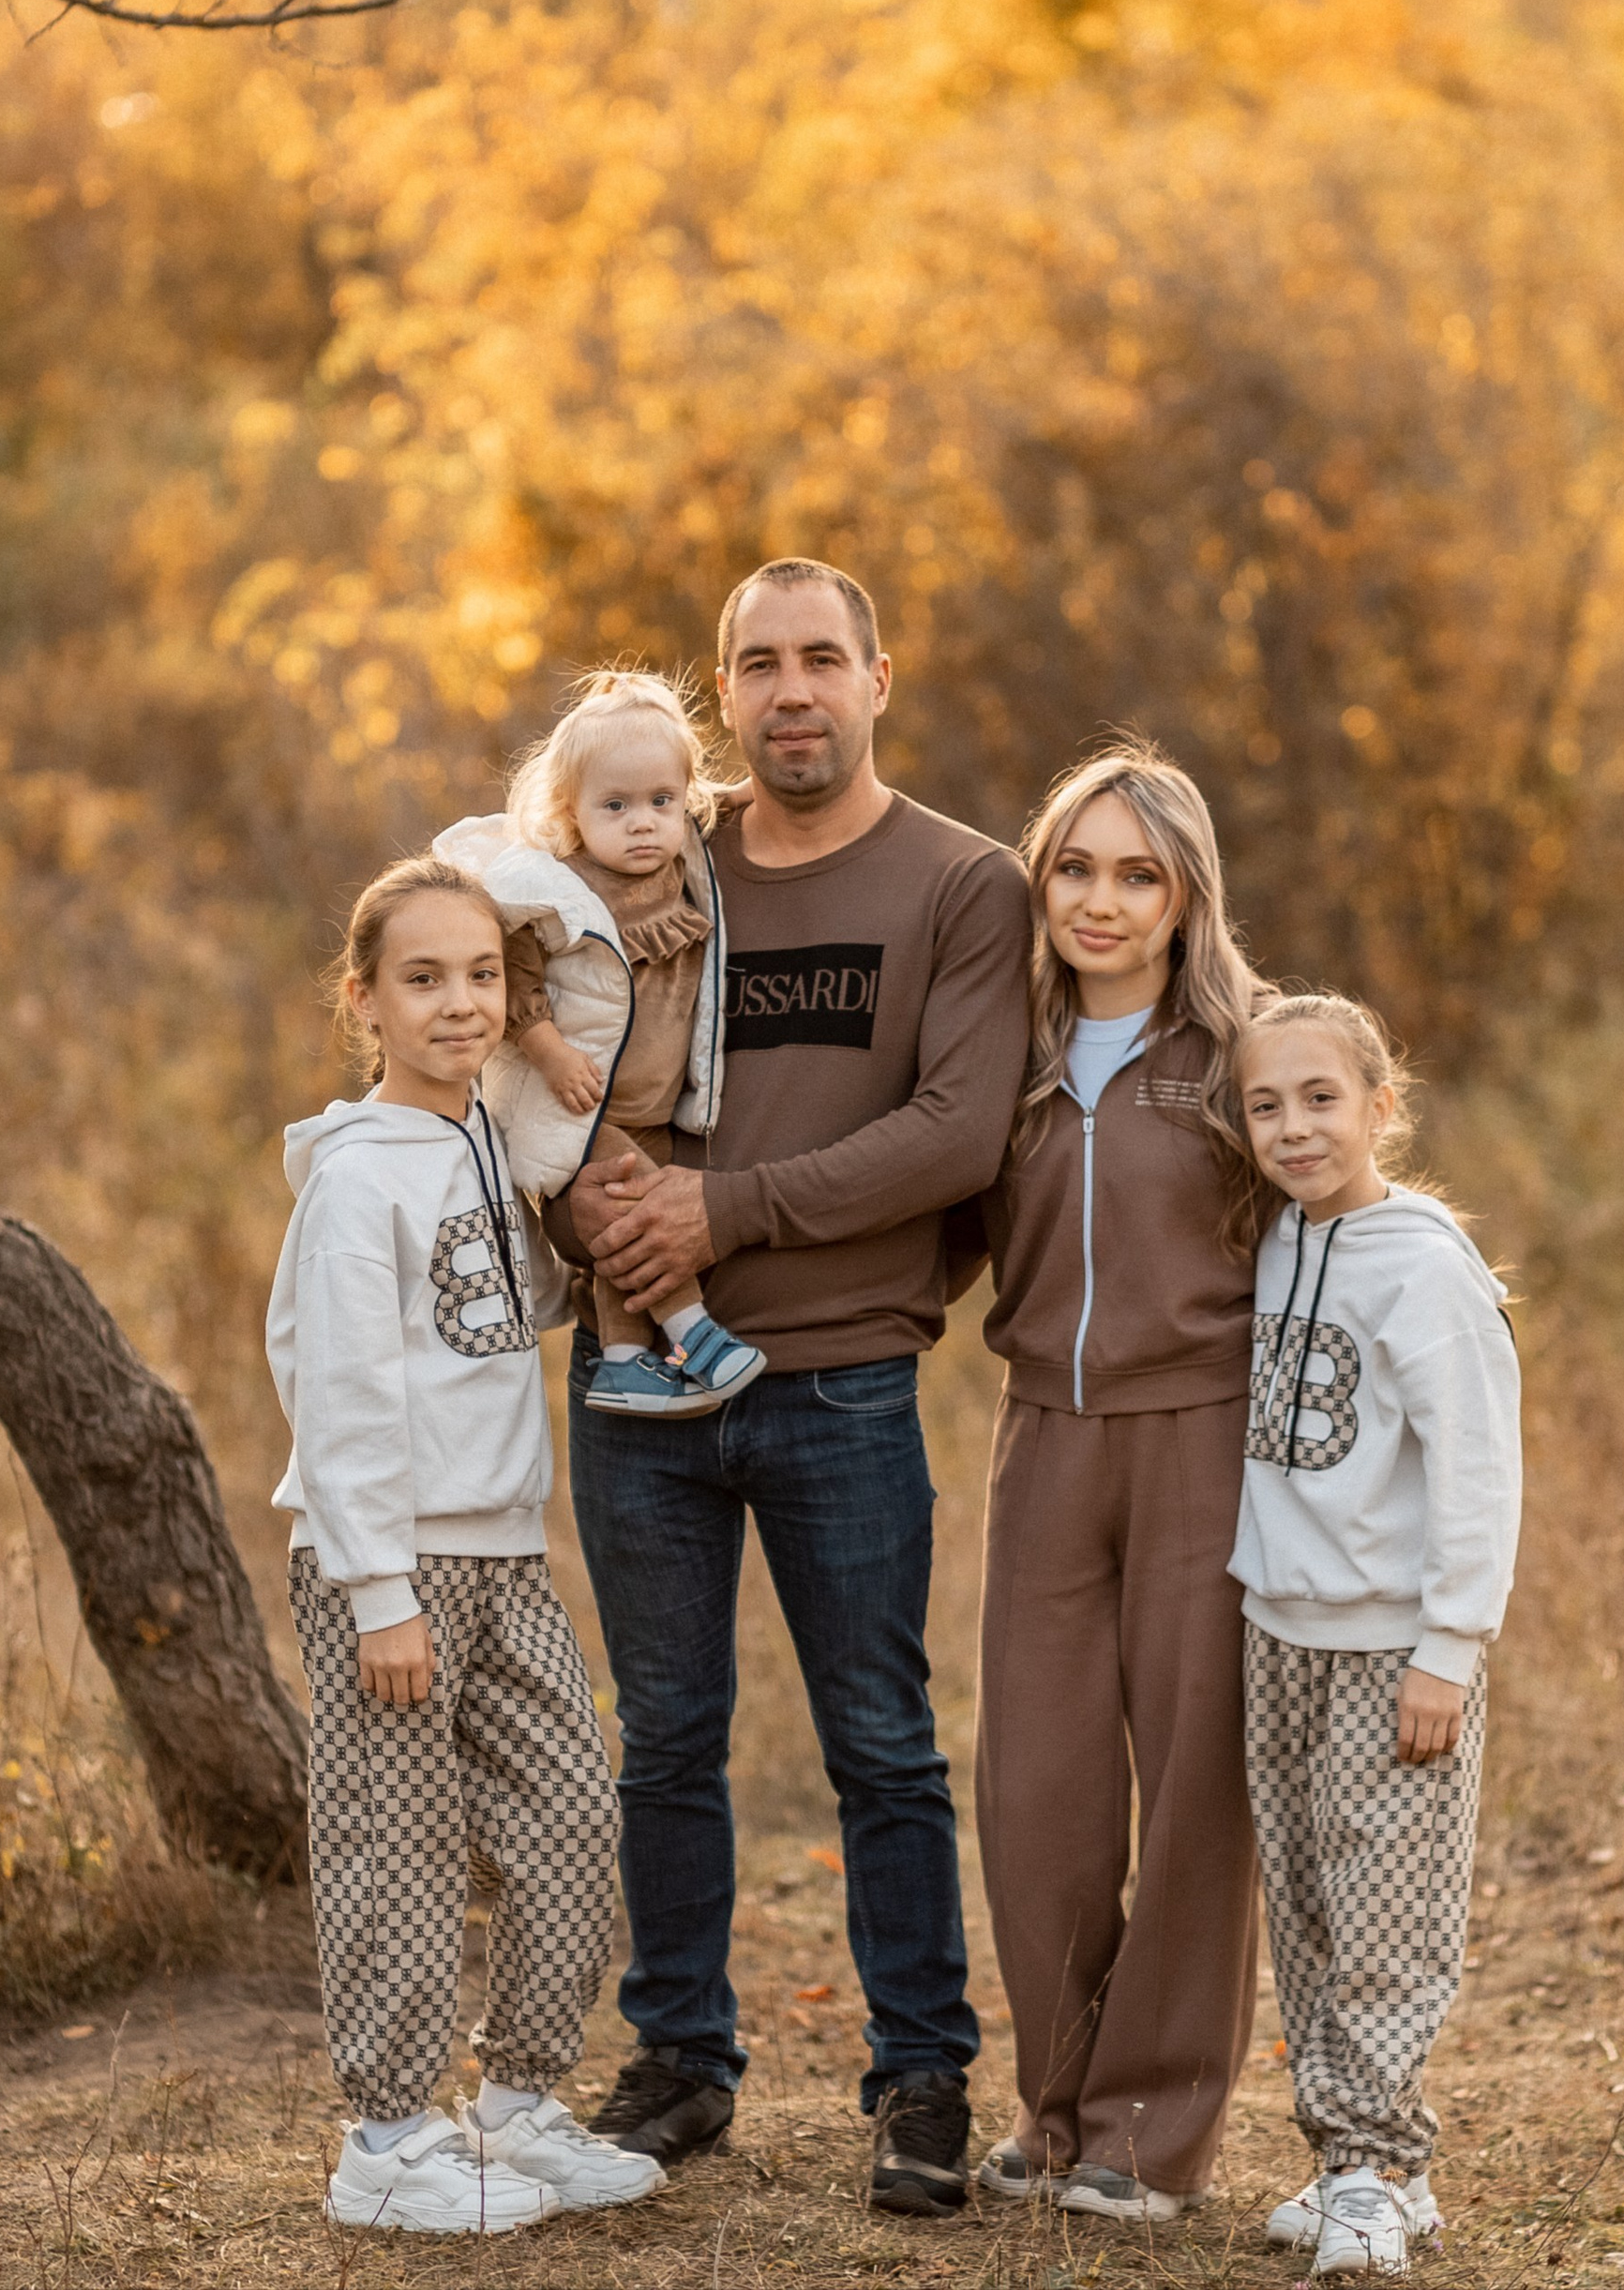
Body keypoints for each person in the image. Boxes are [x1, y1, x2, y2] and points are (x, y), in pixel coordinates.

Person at [554, 559, 1034, 2216]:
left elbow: (961, 1131)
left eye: (821, 659)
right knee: (664, 1740)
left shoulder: (963, 886)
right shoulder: (645, 858)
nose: (792, 693)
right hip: (635, 1374)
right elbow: (512, 1021)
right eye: (756, 667)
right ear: (725, 696)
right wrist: (600, 1206)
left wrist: (726, 1212)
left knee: (883, 1746)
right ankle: (679, 2064)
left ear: (880, 677)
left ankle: (921, 2079)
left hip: (838, 1381)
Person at [267, 853, 665, 2236]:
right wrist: (380, 1590)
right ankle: (386, 2140)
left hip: (503, 1552)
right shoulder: (359, 1178)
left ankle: (515, 2104)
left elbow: (505, 1316)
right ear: (365, 1000)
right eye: (423, 979)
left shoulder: (485, 1143)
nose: (459, 1005)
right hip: (388, 1565)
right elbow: (349, 1396)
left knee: (571, 1814)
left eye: (483, 975)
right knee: (402, 1846)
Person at [969, 746, 1273, 2223]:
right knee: (1037, 1791)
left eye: (1137, 874)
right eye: (1075, 868)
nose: (1101, 901)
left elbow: (1345, 1210)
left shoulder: (1245, 1056)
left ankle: (1147, 2136)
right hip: (1042, 1439)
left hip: (1205, 1440)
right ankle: (1057, 2105)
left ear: (1185, 896)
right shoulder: (996, 1050)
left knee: (1200, 1786)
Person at [1227, 992, 1522, 2280]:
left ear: (1381, 1109)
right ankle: (1347, 2157)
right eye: (1265, 1105)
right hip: (1278, 1632)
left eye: (1321, 1099)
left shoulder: (1425, 1262)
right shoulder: (1281, 1242)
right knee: (1305, 1902)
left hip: (1392, 1647)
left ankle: (1382, 2167)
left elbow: (1476, 1469)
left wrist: (1449, 1645)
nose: (1293, 1128)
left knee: (1389, 1905)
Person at [431, 669, 762, 1417]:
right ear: (572, 812)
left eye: (660, 802)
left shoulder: (682, 863)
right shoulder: (558, 887)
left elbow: (722, 797)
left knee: (618, 1228)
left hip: (652, 1106)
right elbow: (508, 967)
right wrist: (546, 1048)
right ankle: (695, 1333)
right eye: (615, 806)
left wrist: (743, 794)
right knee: (640, 1210)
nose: (642, 823)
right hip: (580, 1100)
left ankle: (619, 1361)